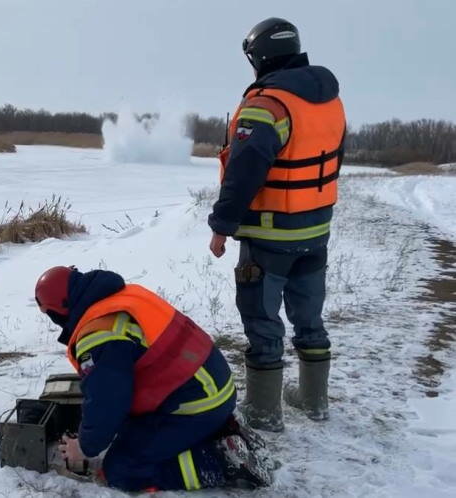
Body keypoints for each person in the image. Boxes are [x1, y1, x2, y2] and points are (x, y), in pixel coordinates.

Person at [208, 17, 346, 432]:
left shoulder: (266, 105)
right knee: (309, 316)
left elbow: (245, 170)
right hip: (315, 230)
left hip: (269, 235)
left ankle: (265, 413)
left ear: (260, 56)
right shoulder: (329, 100)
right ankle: (313, 400)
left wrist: (221, 225)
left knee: (261, 318)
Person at [34, 266, 271, 491]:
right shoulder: (120, 298)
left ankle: (218, 461)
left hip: (195, 404)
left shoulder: (98, 334)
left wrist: (84, 447)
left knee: (121, 469)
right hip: (213, 387)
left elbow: (108, 401)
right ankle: (223, 431)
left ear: (58, 310)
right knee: (128, 431)